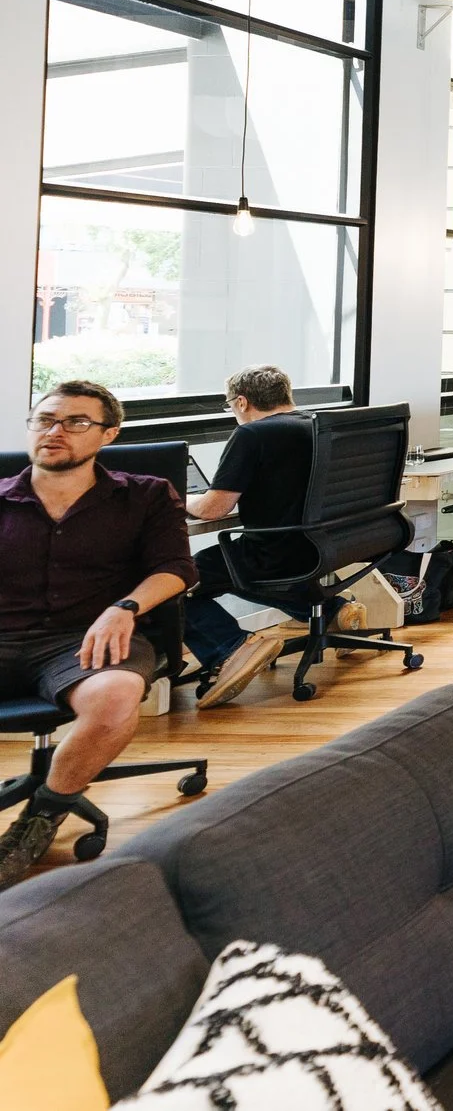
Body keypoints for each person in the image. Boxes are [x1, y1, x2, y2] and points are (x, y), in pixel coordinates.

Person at [0, 382, 197, 888]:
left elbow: (177, 568)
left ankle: (40, 818)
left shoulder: (145, 495)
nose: (55, 431)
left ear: (109, 433)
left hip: (89, 638)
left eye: (76, 422)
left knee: (113, 698)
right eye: (45, 420)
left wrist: (124, 608)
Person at [183, 366, 318, 708]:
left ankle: (231, 648)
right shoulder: (317, 424)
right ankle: (333, 609)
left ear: (241, 402)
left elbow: (213, 508)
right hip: (323, 546)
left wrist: (177, 499)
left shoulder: (252, 435)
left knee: (170, 581)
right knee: (244, 571)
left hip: (273, 553)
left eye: (229, 405)